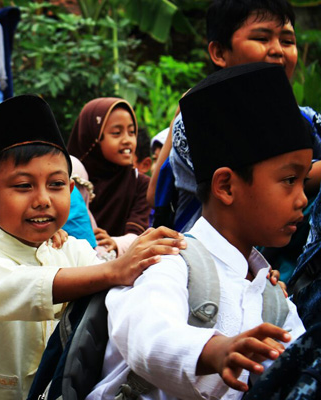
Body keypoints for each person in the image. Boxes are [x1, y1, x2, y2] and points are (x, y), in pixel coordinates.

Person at [0, 94, 187, 399]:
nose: (43, 199)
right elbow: (18, 285)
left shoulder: (73, 251)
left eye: (56, 185)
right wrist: (115, 269)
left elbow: (116, 298)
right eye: (23, 186)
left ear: (71, 191)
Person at [88, 63, 308, 400]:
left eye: (305, 180)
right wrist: (215, 351)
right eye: (289, 180)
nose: (303, 198)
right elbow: (147, 336)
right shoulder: (169, 262)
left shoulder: (275, 300)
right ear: (226, 187)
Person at [150, 0, 321, 234]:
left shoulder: (306, 119)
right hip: (208, 263)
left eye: (288, 41)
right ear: (219, 52)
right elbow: (268, 180)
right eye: (262, 38)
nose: (278, 50)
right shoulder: (203, 119)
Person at [68, 98, 151, 256]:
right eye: (116, 133)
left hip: (121, 264)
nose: (127, 140)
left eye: (132, 132)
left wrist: (115, 243)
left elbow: (138, 232)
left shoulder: (139, 183)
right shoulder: (73, 178)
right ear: (93, 138)